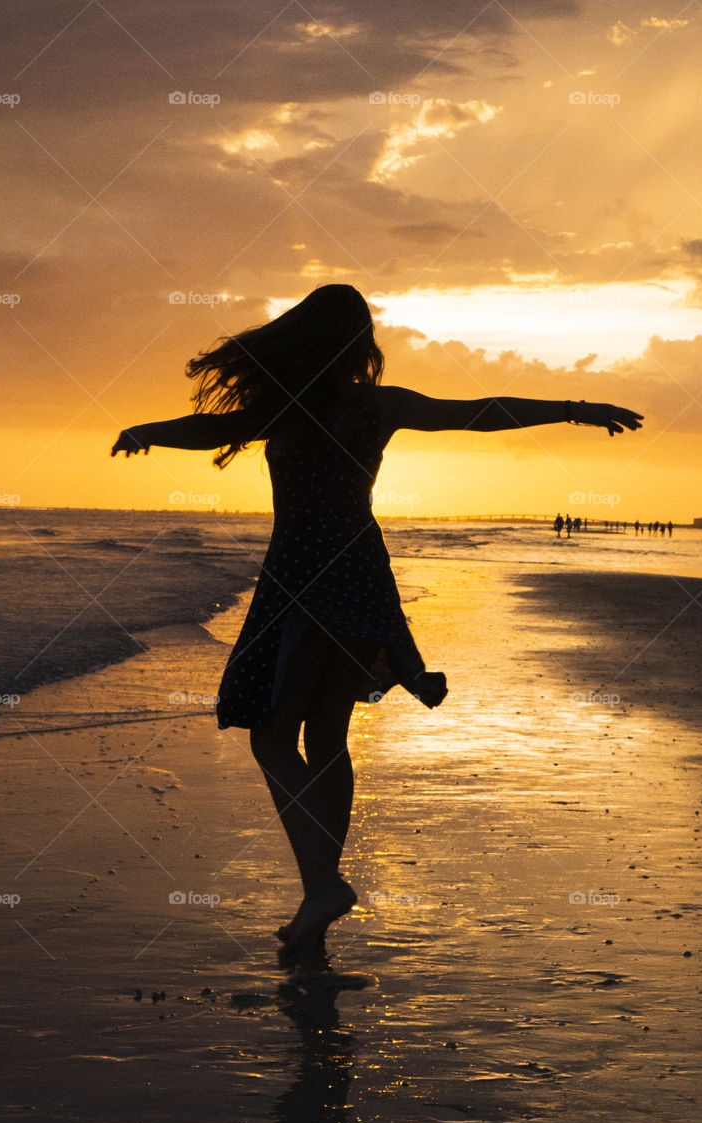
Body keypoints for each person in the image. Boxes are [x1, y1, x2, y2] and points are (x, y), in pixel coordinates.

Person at [111, 284, 643, 953]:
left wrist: (144, 434)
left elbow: (214, 430)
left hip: (303, 576)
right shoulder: (374, 405)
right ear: (358, 344)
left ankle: (323, 885)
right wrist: (574, 409)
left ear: (303, 336)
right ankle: (316, 899)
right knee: (327, 734)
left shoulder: (286, 407)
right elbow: (476, 413)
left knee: (272, 737)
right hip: (360, 569)